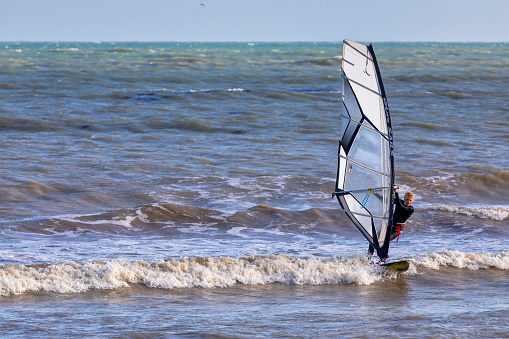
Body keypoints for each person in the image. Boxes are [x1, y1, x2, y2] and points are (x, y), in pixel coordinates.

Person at [368, 189, 414, 258]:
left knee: (386, 240)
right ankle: (368, 258)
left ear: (412, 201)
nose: (408, 202)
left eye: (410, 200)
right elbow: (387, 201)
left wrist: (396, 193)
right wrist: (376, 194)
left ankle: (383, 259)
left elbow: (401, 208)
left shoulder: (411, 209)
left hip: (396, 230)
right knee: (373, 239)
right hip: (390, 226)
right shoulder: (400, 202)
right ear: (404, 199)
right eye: (407, 199)